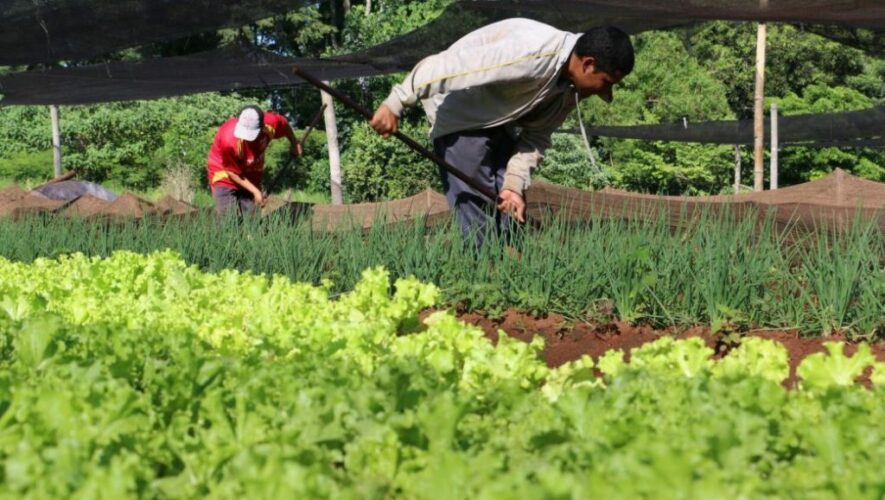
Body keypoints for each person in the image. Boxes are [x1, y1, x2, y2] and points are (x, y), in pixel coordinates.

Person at [370, 20, 634, 244]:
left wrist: (513, 186)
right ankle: (482, 281)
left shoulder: (570, 89)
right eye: (606, 83)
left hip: (499, 121)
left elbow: (536, 137)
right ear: (588, 64)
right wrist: (397, 102)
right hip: (460, 113)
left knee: (509, 207)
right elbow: (450, 65)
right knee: (476, 206)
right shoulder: (532, 53)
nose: (605, 93)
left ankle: (508, 278)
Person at [207, 106, 303, 216]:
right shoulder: (229, 139)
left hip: (251, 171)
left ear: (262, 127)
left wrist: (294, 143)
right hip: (224, 172)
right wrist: (256, 191)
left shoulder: (271, 123)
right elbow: (233, 173)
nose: (246, 138)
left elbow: (284, 125)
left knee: (252, 216)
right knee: (227, 218)